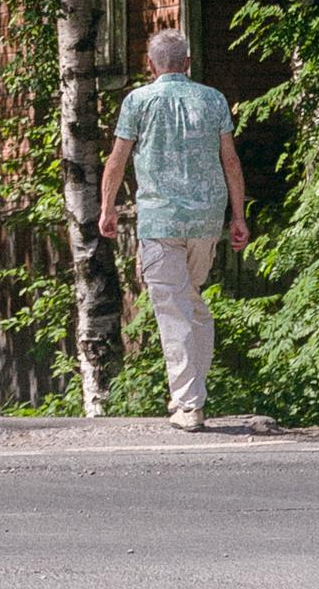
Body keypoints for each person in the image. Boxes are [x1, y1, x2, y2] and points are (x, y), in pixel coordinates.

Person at [98, 27, 251, 429]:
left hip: (161, 220)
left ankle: (189, 405)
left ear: (151, 65)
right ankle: (190, 395)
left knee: (172, 308)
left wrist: (107, 208)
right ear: (187, 63)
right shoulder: (213, 99)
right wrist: (238, 216)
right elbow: (231, 161)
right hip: (205, 219)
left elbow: (116, 161)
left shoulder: (138, 101)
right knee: (190, 302)